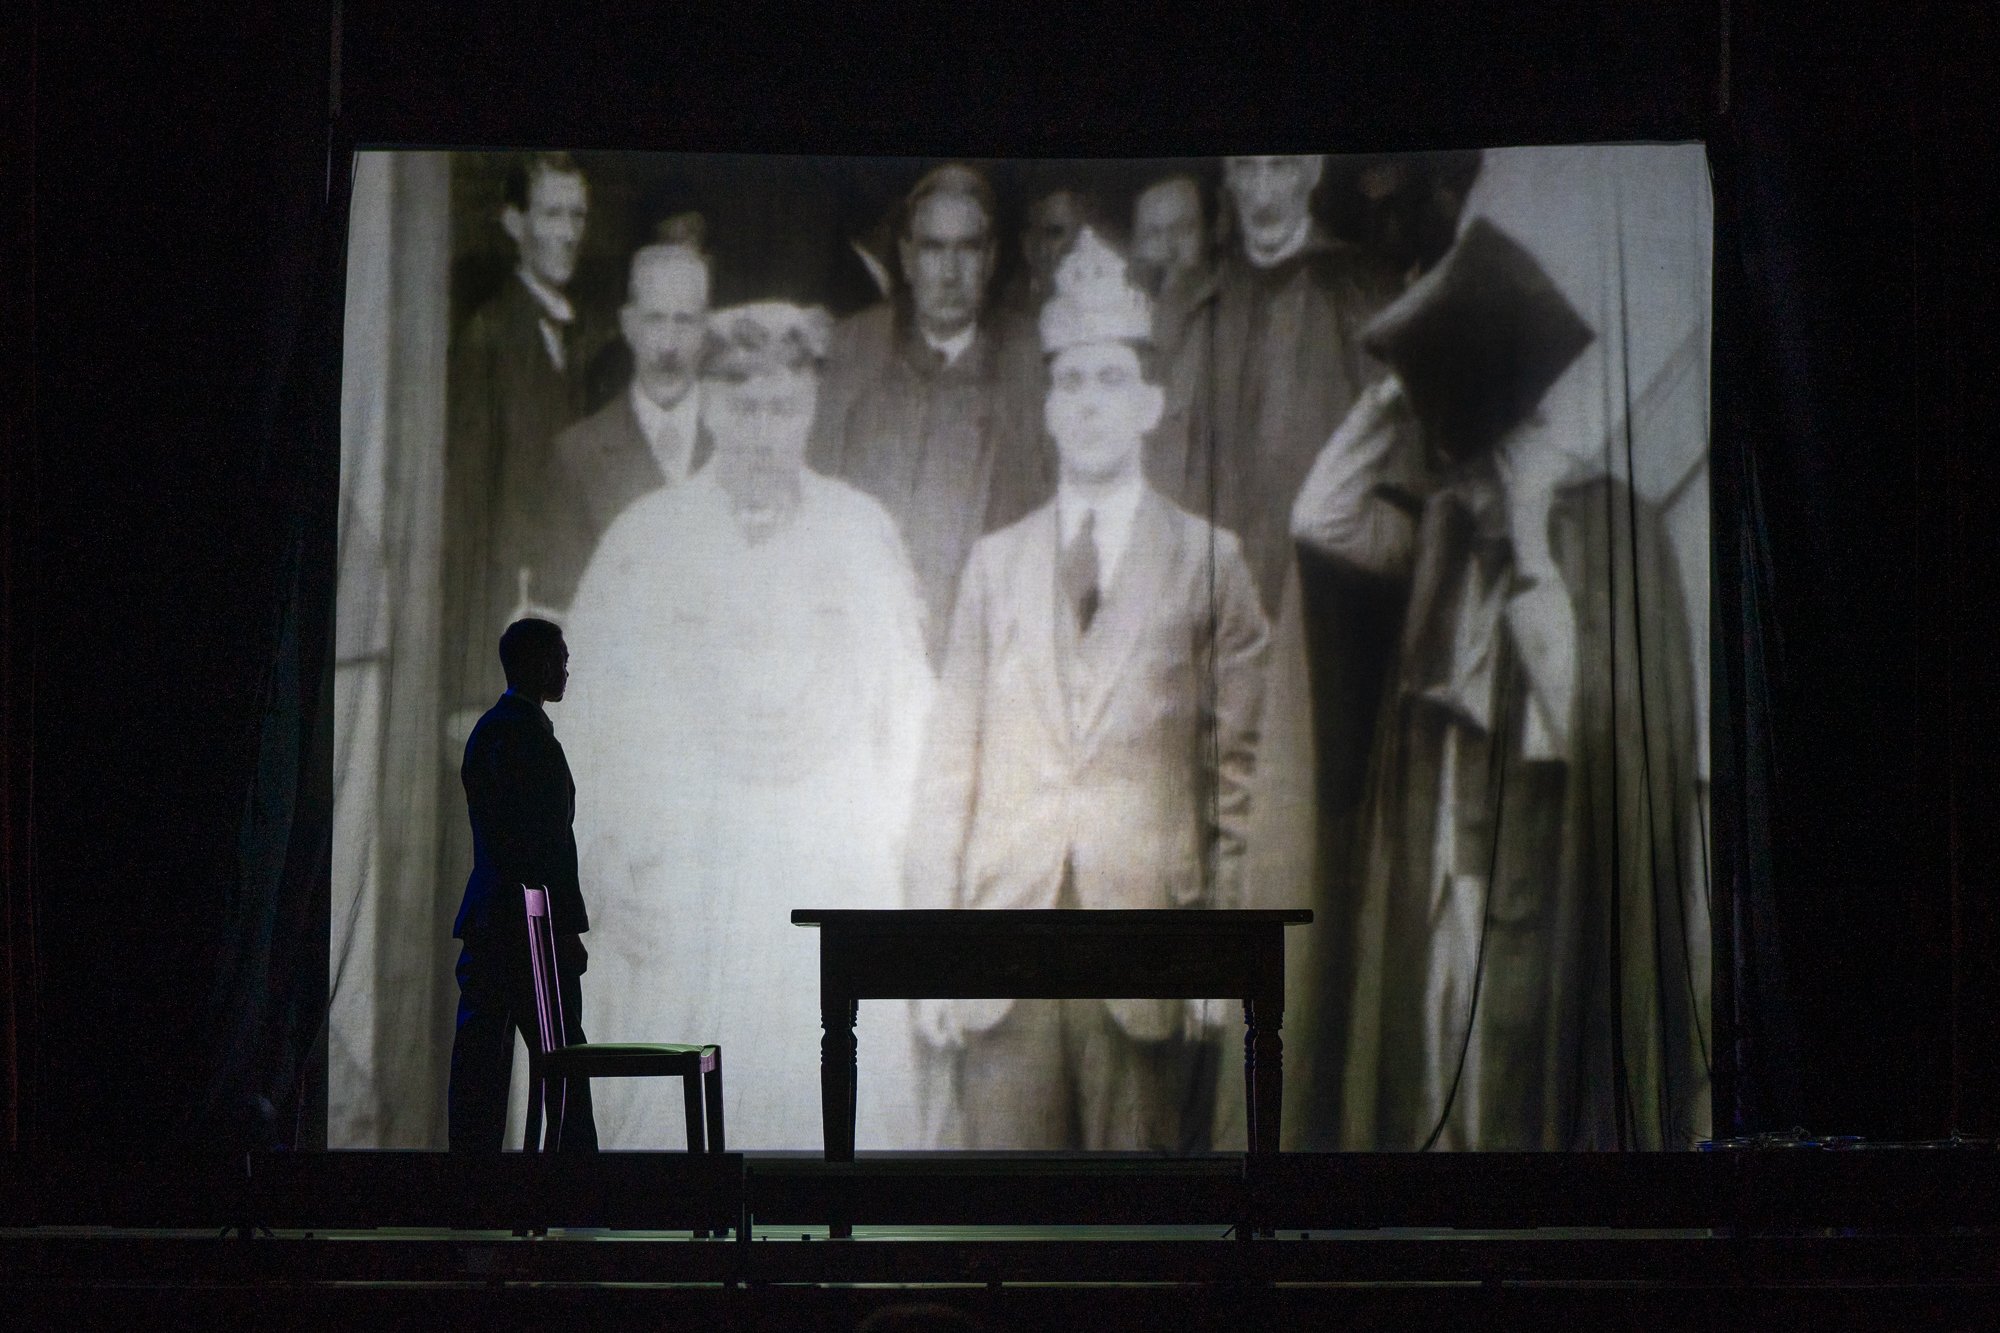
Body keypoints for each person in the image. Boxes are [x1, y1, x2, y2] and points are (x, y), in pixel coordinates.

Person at [1296, 219, 1709, 1150]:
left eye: (1471, 467)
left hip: (1540, 915)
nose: (1457, 487)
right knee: (1427, 1120)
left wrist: (1531, 543)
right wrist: (1393, 396)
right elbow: (1322, 520)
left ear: (1512, 450)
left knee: (1515, 1128)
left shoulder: (1613, 535)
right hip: (1438, 902)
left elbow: (1604, 735)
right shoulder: (1445, 534)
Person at [903, 229, 1269, 1151]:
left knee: (1135, 1218)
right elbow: (947, 771)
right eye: (1070, 382)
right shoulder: (995, 566)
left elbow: (1240, 781)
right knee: (1004, 1216)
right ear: (1048, 409)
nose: (1090, 402)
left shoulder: (1211, 562)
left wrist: (1222, 951)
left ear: (1151, 403)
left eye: (1111, 380)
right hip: (1003, 952)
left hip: (1145, 957)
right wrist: (933, 950)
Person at [563, 302, 933, 1150]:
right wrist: (597, 861)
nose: (765, 432)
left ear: (811, 407)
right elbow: (582, 728)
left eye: (784, 408)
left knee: (824, 1106)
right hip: (687, 898)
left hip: (821, 882)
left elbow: (911, 725)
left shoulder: (861, 534)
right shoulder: (646, 540)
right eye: (745, 407)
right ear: (709, 406)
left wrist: (889, 867)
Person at [808, 163, 1051, 665]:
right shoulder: (852, 352)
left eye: (967, 249)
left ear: (990, 258)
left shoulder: (1033, 366)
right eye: (934, 248)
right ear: (907, 257)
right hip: (866, 648)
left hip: (986, 650)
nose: (950, 273)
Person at [443, 152, 601, 720]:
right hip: (515, 610)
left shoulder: (584, 332)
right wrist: (470, 679)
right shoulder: (488, 335)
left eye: (577, 216)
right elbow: (468, 511)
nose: (568, 233)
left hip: (576, 604)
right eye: (553, 214)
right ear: (515, 223)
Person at [1212, 153, 1400, 615]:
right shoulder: (1207, 294)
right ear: (1228, 177)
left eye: (1280, 167)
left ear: (1313, 171)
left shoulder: (1366, 293)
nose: (1263, 194)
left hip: (1323, 585)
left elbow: (1398, 468)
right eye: (1246, 168)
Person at [446, 617, 597, 1151]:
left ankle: (477, 1179)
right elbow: (547, 844)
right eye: (559, 658)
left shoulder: (496, 731)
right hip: (525, 928)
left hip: (496, 919)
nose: (566, 669)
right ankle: (573, 1175)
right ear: (535, 664)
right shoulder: (524, 735)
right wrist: (564, 929)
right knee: (562, 1057)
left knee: (483, 1064)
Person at [538, 242, 714, 611]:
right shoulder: (578, 455)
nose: (669, 345)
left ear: (705, 328)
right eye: (655, 320)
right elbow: (564, 610)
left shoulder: (738, 441)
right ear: (628, 326)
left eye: (684, 320)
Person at [1127, 171, 1219, 517]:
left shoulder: (1230, 321)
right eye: (1153, 234)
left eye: (1183, 230)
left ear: (1209, 233)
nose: (1167, 250)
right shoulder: (1113, 329)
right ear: (1133, 246)